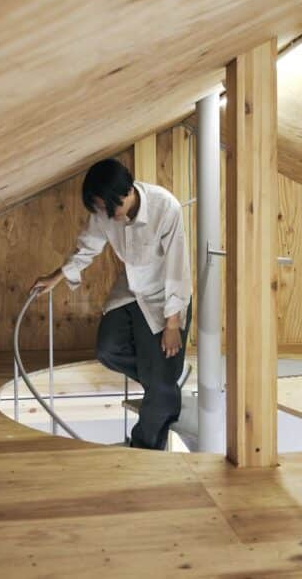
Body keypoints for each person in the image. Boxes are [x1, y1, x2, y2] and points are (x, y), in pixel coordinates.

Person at [30, 158, 192, 450]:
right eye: (100, 208)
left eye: (108, 207)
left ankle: (143, 449)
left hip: (165, 299)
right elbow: (87, 245)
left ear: (127, 191)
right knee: (108, 351)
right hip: (130, 291)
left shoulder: (165, 208)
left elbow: (177, 270)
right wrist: (55, 277)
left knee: (161, 389)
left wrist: (172, 324)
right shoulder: (103, 211)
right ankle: (161, 381)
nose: (105, 213)